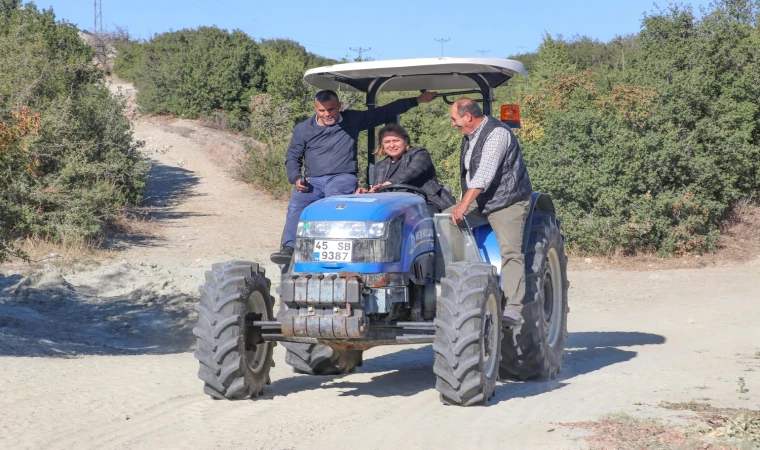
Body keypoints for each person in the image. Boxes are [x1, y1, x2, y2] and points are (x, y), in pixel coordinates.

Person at [270, 89, 438, 264]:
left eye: (331, 109)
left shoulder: (352, 120)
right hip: (313, 180)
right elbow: (292, 156)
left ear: (339, 107)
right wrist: (296, 177)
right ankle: (289, 248)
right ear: (315, 109)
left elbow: (383, 112)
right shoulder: (303, 129)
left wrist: (417, 100)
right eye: (322, 110)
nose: (327, 114)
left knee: (334, 202)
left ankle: (333, 247)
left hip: (342, 176)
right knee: (297, 204)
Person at [446, 98, 533, 325]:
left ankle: (514, 307)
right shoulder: (470, 135)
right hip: (483, 199)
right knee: (443, 221)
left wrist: (463, 205)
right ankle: (461, 282)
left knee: (511, 252)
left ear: (468, 116)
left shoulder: (497, 134)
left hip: (507, 200)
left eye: (454, 119)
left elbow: (484, 174)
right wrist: (459, 207)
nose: (453, 124)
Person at [356, 123, 455, 212]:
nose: (391, 145)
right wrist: (368, 194)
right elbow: (381, 191)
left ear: (405, 141)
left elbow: (412, 172)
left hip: (426, 201)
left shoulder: (419, 153)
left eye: (396, 141)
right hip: (395, 205)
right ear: (382, 145)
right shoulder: (381, 166)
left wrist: (389, 183)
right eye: (387, 142)